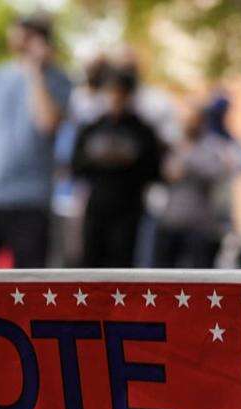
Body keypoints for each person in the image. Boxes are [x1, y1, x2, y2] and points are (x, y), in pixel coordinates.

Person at [0, 14, 72, 269]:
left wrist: (35, 71)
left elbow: (47, 123)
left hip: (31, 198)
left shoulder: (59, 79)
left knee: (27, 282)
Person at [71, 68, 163, 268]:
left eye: (120, 93)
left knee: (121, 263)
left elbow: (154, 171)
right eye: (110, 92)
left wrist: (127, 160)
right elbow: (76, 167)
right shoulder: (91, 128)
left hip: (128, 207)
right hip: (97, 204)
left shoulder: (142, 131)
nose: (114, 99)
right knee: (90, 263)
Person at [152, 105, 235, 268]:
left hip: (200, 225)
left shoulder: (212, 147)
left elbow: (218, 172)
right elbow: (166, 173)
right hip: (171, 221)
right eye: (186, 121)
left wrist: (190, 164)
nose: (189, 125)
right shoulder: (174, 146)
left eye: (193, 120)